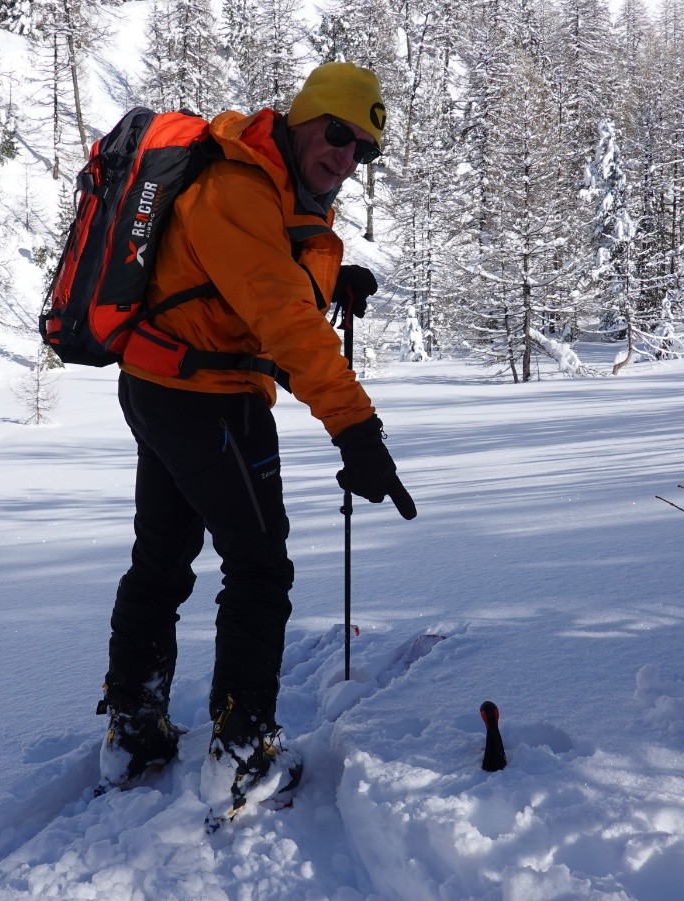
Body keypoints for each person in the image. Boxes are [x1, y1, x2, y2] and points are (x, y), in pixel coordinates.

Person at [97, 62, 417, 816]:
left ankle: (134, 731)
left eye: (362, 150)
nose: (345, 156)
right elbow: (282, 321)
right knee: (260, 563)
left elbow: (248, 284)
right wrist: (356, 429)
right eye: (337, 134)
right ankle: (243, 750)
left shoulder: (264, 181)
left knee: (163, 558)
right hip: (207, 398)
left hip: (166, 383)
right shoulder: (240, 186)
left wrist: (333, 283)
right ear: (303, 118)